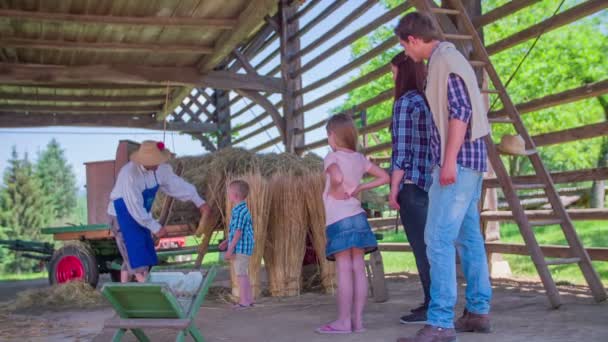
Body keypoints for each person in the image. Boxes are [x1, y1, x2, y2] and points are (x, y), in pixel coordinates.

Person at [394, 12, 492, 342]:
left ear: (413, 40)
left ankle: (439, 322)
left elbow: (460, 111)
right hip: (472, 162)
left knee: (436, 239)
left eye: (405, 48)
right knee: (469, 239)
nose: (407, 55)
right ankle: (478, 312)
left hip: (459, 163)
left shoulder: (443, 61)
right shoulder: (451, 58)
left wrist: (448, 161)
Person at [316, 114, 390, 334]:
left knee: (344, 270)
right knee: (358, 268)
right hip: (358, 218)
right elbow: (384, 177)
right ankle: (358, 322)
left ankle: (342, 321)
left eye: (328, 134)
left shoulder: (332, 157)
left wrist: (336, 190)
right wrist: (357, 189)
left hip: (339, 220)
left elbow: (336, 177)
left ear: (333, 136)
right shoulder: (359, 158)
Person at [108, 140, 210, 283]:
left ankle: (124, 288)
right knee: (135, 253)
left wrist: (199, 201)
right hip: (122, 214)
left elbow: (177, 185)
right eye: (153, 161)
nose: (157, 164)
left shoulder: (161, 169)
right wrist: (155, 227)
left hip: (142, 214)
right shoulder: (129, 174)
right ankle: (146, 289)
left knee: (142, 251)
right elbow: (134, 206)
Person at [388, 51, 433, 324]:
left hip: (412, 185)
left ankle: (433, 305)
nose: (392, 77)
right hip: (430, 184)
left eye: (393, 72)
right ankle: (432, 301)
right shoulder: (426, 101)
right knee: (431, 247)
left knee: (422, 249)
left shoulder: (405, 103)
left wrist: (394, 190)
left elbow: (402, 154)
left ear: (402, 72)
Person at [219, 179, 255, 309]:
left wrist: (230, 250)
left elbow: (238, 232)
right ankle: (249, 299)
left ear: (235, 195)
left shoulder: (239, 211)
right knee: (243, 274)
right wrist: (227, 241)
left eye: (229, 193)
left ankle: (244, 301)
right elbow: (235, 230)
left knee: (241, 275)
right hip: (243, 246)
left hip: (241, 247)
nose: (228, 196)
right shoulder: (241, 209)